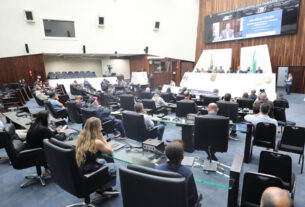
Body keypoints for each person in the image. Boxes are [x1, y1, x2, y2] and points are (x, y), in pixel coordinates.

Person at [75, 117, 119, 196]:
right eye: (100, 126)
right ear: (96, 128)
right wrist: (102, 137)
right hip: (89, 171)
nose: (101, 128)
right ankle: (103, 189)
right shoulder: (96, 142)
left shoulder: (80, 137)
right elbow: (110, 150)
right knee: (112, 166)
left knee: (103, 161)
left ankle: (100, 185)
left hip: (81, 167)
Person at [156, 140, 200, 207]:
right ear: (182, 157)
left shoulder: (157, 169)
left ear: (167, 155)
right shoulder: (188, 174)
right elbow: (193, 199)